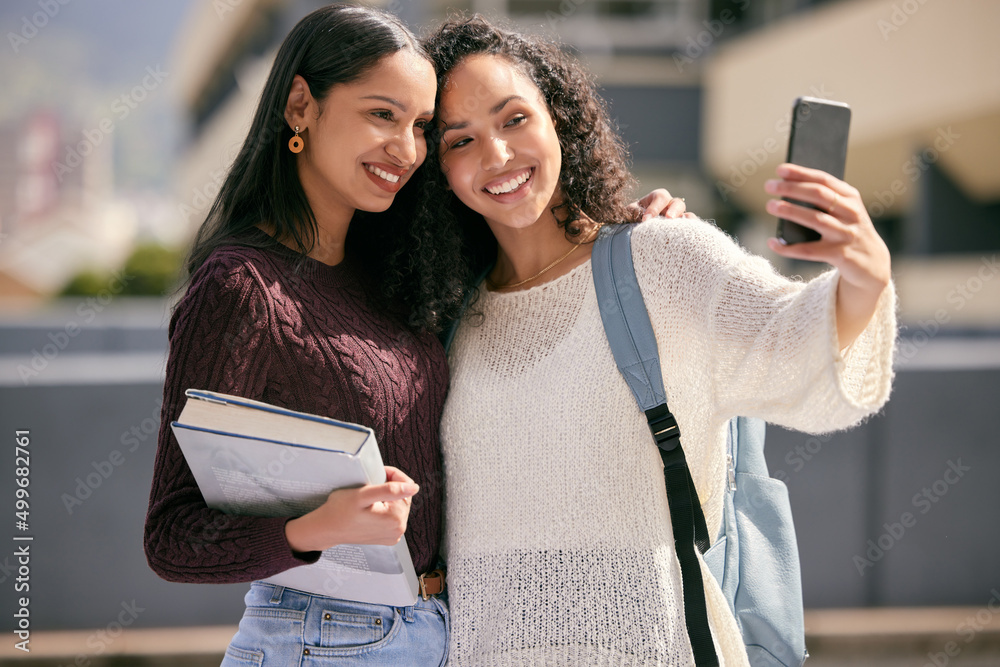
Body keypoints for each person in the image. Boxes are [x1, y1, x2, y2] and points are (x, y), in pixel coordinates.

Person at [143, 5, 684, 665]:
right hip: (319, 638)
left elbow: (524, 257)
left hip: (437, 630)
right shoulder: (241, 288)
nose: (406, 149)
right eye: (381, 115)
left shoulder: (395, 265)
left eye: (422, 126)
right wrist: (320, 526)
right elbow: (171, 536)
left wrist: (623, 233)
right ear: (300, 106)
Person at [421, 16, 896, 666]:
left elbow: (800, 353)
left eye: (513, 119)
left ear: (557, 116)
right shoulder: (451, 317)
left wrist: (864, 280)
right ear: (436, 166)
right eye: (461, 139)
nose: (497, 155)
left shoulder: (662, 258)